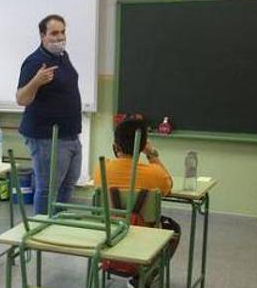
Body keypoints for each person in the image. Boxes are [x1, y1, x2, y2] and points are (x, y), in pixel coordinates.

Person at [15, 13, 83, 215]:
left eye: (62, 32)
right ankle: (42, 232)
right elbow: (21, 99)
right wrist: (36, 81)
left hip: (70, 134)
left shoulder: (63, 56)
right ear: (42, 35)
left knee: (68, 185)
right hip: (47, 137)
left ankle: (58, 226)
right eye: (54, 33)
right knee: (47, 189)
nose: (59, 37)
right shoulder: (35, 61)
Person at [93, 114, 172, 197]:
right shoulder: (156, 174)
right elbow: (169, 187)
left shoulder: (101, 170)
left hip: (110, 210)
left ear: (115, 147)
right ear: (144, 146)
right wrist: (151, 155)